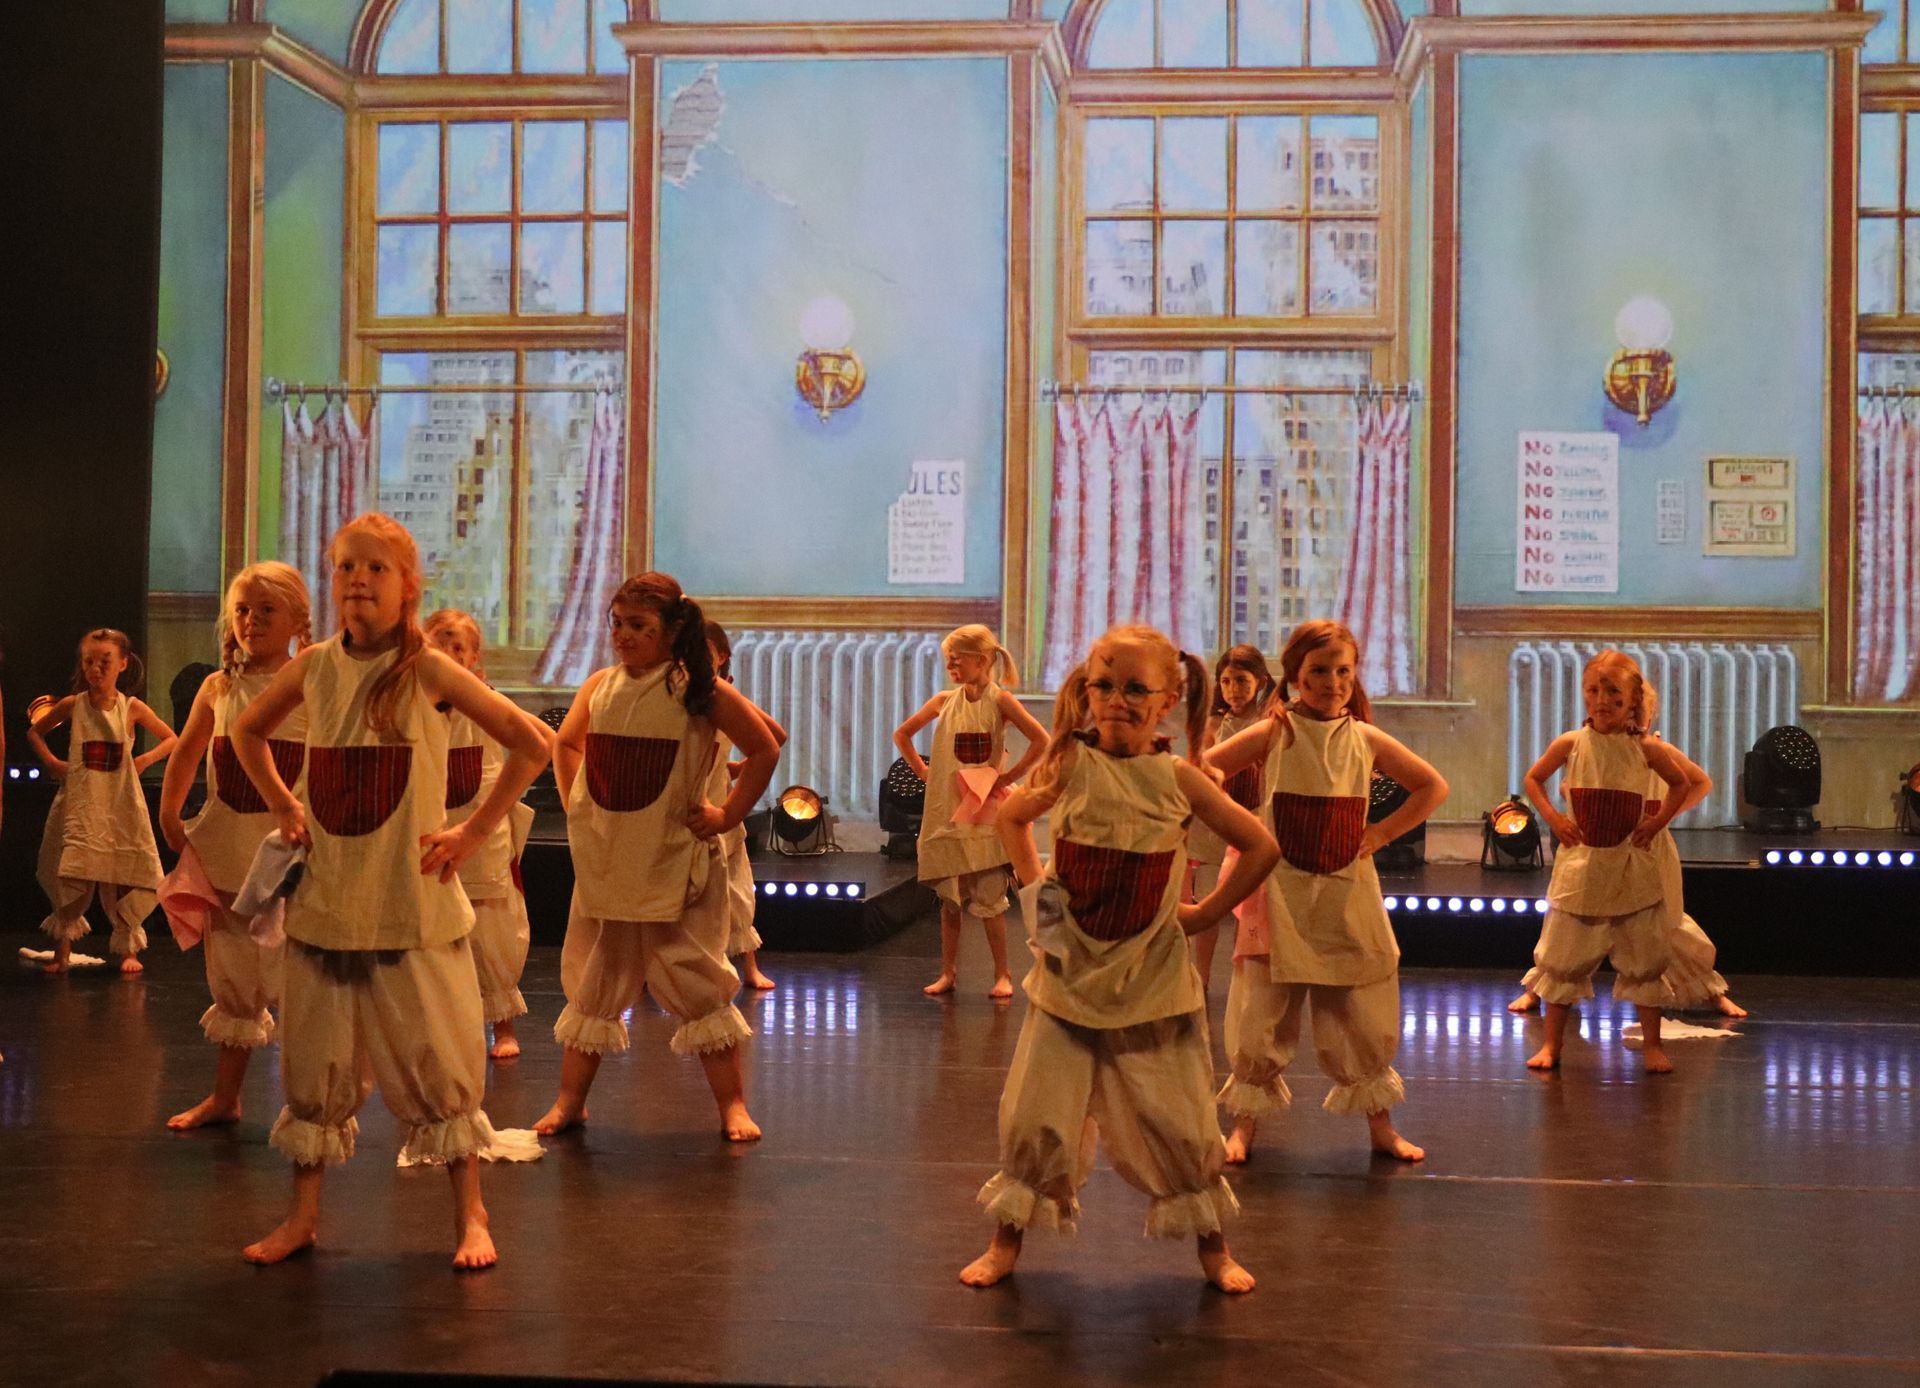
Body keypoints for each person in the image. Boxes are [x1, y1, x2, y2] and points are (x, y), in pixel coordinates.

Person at [231, 513, 551, 1269]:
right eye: (347, 566)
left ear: (408, 585)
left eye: (376, 567)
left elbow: (531, 743)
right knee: (315, 1063)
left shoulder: (429, 671)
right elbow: (247, 733)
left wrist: (472, 833)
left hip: (410, 902)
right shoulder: (315, 667)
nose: (358, 580)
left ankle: (471, 1213)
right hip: (329, 900)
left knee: (439, 1058)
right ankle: (303, 1215)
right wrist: (284, 804)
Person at [960, 625, 1278, 1293]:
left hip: (1150, 981)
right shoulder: (1071, 765)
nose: (1117, 701)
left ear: (1167, 700)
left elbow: (1259, 846)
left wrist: (1205, 914)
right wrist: (1041, 905)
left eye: (1136, 689)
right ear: (1086, 691)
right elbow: (1013, 819)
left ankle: (1214, 1247)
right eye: (1104, 686)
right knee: (1037, 1113)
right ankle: (1006, 1238)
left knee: (1180, 1118)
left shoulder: (1179, 779)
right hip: (1069, 977)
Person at [534, 574, 779, 1142]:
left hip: (675, 865)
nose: (623, 636)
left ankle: (732, 1105)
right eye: (617, 624)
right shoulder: (599, 686)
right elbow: (567, 742)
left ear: (671, 631)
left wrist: (727, 814)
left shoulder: (700, 690)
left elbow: (765, 746)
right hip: (611, 866)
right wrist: (576, 803)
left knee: (697, 982)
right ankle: (570, 1101)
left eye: (638, 626)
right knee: (594, 986)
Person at [1205, 620, 1445, 1164]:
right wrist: (1243, 829)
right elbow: (1204, 772)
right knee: (1260, 1011)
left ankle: (1381, 1127)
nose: (1332, 683)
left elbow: (1432, 786)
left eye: (1343, 671)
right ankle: (1243, 1127)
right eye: (1318, 671)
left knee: (1358, 1010)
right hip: (1279, 896)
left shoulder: (1364, 738)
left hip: (1344, 894)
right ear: (1294, 675)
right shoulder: (1274, 733)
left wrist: (1381, 833)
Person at [158, 562, 311, 1128]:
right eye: (243, 610)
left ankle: (308, 1103)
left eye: (267, 610)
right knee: (234, 976)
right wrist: (170, 812)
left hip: (291, 857)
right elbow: (186, 751)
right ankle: (225, 1097)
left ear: (298, 620)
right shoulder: (218, 687)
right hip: (227, 847)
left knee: (300, 982)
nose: (252, 621)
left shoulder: (310, 684)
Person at [1515, 650, 1705, 1074]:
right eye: (1593, 691)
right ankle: (1552, 1045)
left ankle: (1652, 1045)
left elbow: (1681, 785)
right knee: (1564, 956)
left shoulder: (1645, 747)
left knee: (1643, 956)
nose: (1602, 700)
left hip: (1629, 868)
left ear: (1632, 699)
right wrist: (1555, 819)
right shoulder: (1571, 743)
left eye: (1613, 693)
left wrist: (1655, 823)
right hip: (1583, 869)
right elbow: (1534, 779)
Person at [1507, 690, 1746, 1021]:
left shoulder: (1658, 750)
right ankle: (1540, 988)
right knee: (1572, 923)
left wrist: (1662, 818)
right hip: (1600, 851)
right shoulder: (1591, 747)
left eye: (1638, 711)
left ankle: (1709, 991)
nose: (1631, 719)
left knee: (1665, 922)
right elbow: (1564, 785)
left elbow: (1699, 783)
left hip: (1647, 849)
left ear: (1649, 715)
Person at [893, 624, 1048, 999]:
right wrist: (923, 771)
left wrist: (1007, 776)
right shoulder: (944, 701)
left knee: (990, 896)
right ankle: (948, 972)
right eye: (948, 661)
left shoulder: (1001, 701)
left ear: (981, 660)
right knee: (950, 899)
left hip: (982, 810)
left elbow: (1040, 740)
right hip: (947, 809)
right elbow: (903, 734)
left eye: (956, 660)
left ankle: (1002, 973)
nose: (951, 667)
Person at [424, 608, 550, 1060]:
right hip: (431, 832)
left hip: (482, 836)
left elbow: (542, 739)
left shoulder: (486, 702)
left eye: (457, 646)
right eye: (439, 643)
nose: (448, 652)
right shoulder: (414, 702)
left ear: (475, 657)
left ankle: (503, 1026)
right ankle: (442, 1026)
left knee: (490, 929)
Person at [32, 628, 177, 974]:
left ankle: (129, 949)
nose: (95, 669)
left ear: (122, 664)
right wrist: (52, 762)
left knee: (122, 869)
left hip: (118, 803)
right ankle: (62, 950)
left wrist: (142, 761)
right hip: (81, 802)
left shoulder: (131, 707)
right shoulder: (74, 705)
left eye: (104, 662)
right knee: (71, 870)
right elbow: (35, 732)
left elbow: (172, 739)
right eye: (89, 662)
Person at [1185, 645, 1275, 988]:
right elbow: (1200, 768)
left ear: (1260, 682)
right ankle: (1201, 978)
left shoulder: (1270, 724)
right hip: (1215, 825)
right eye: (1226, 681)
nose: (1233, 689)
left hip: (1254, 819)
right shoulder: (1214, 723)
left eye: (1241, 681)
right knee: (1207, 904)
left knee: (1248, 906)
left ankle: (1244, 981)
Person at [705, 621, 787, 992]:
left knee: (736, 888)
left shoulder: (725, 696)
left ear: (721, 656)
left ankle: (749, 967)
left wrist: (738, 767)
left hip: (720, 803)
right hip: (693, 803)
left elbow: (774, 736)